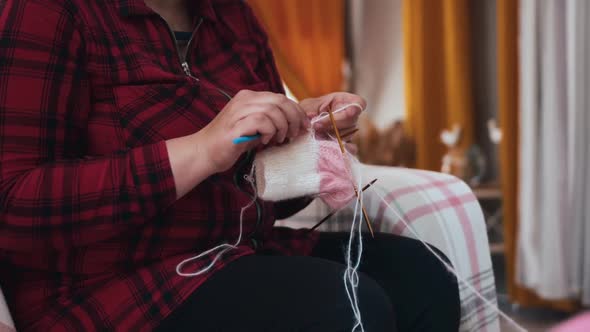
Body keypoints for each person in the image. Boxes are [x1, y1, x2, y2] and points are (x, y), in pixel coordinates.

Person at [0, 0, 460, 331]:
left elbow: (261, 198)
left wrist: (304, 146)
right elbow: (13, 204)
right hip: (106, 286)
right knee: (348, 306)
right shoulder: (48, 12)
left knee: (423, 277)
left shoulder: (232, 17)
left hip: (235, 253)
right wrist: (202, 149)